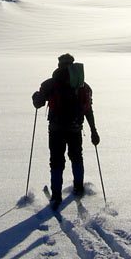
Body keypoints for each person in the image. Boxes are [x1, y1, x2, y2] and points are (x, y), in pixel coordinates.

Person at [31, 54, 100, 209]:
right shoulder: (83, 85)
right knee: (76, 157)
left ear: (59, 64)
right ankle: (78, 187)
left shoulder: (50, 84)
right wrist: (93, 131)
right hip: (75, 128)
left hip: (56, 129)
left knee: (56, 161)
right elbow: (88, 110)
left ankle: (56, 196)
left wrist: (35, 97)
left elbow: (38, 103)